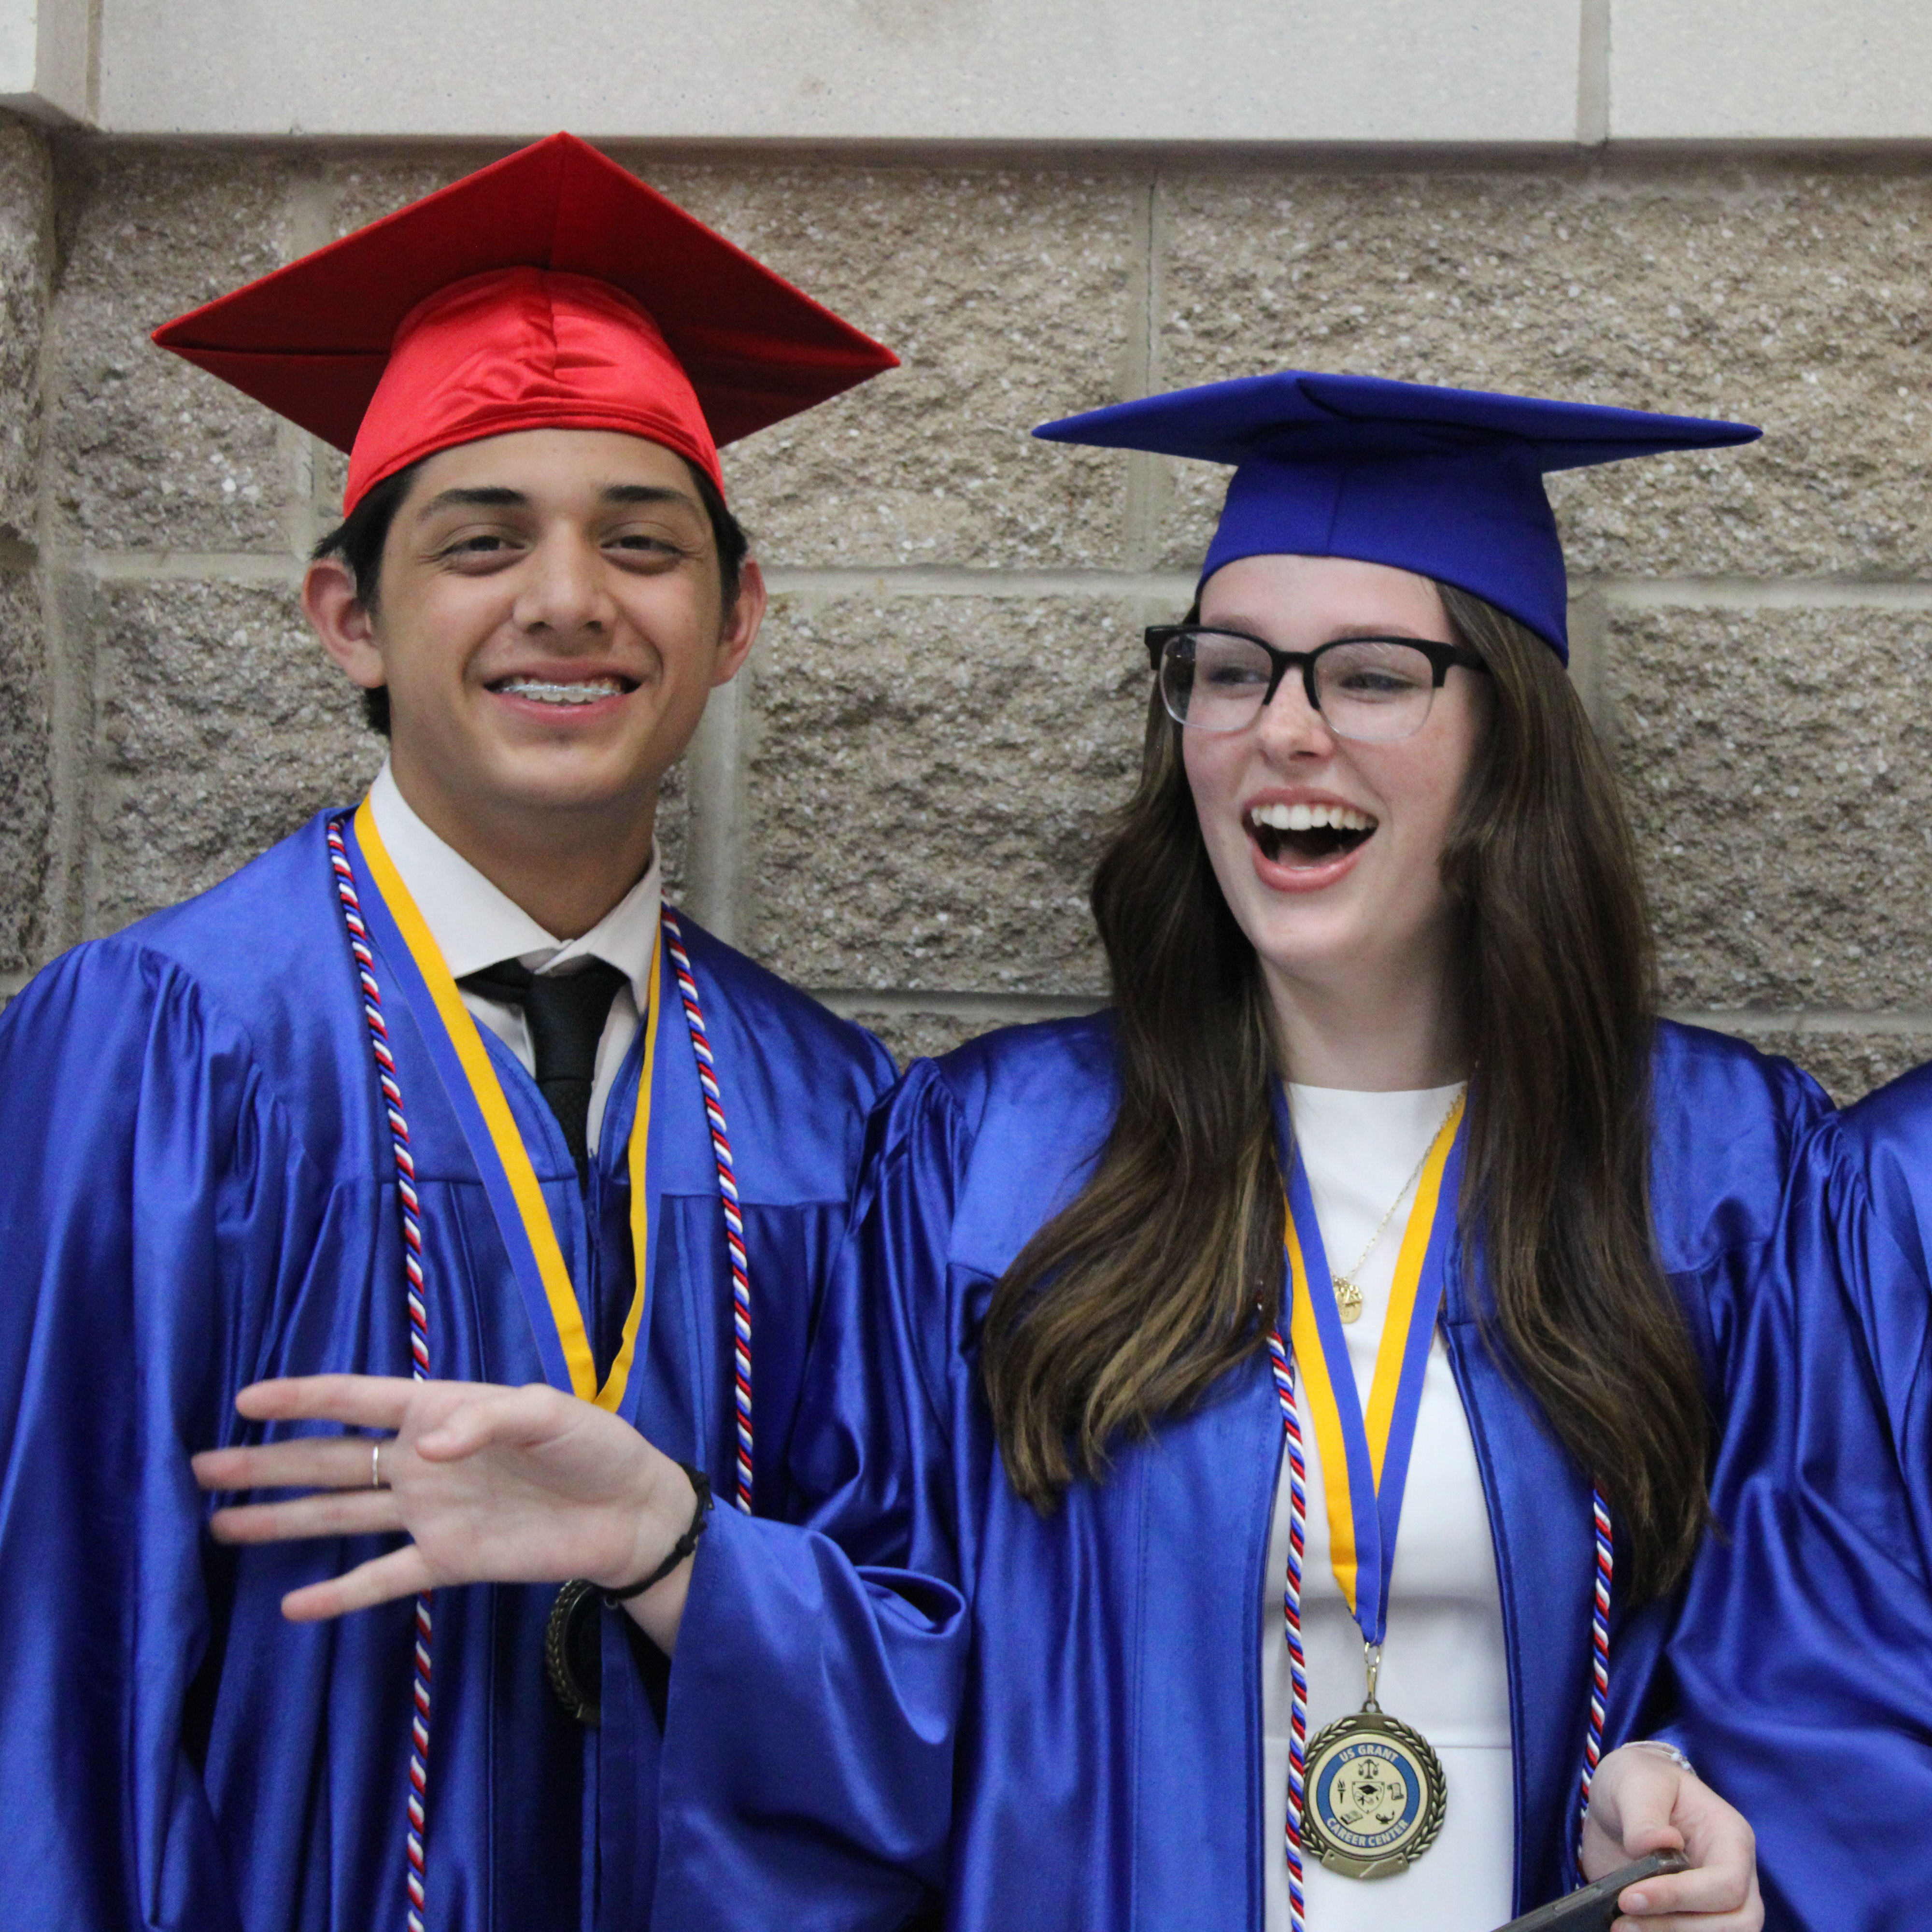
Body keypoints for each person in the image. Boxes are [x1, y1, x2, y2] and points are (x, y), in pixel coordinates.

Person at [196, 375, 1932, 1932]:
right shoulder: (992, 1162)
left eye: (1377, 674)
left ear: (1508, 751)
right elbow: (913, 1701)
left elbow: (1818, 1659)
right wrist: (674, 1546)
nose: (1285, 726)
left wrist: (1712, 1805)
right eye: (1229, 670)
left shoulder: (1733, 1175)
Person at [0, 133, 903, 1932]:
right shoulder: (167, 1046)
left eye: (641, 546)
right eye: (484, 542)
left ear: (733, 621)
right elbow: (51, 1652)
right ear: (351, 615)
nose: (569, 600)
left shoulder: (841, 1113)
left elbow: (920, 1648)